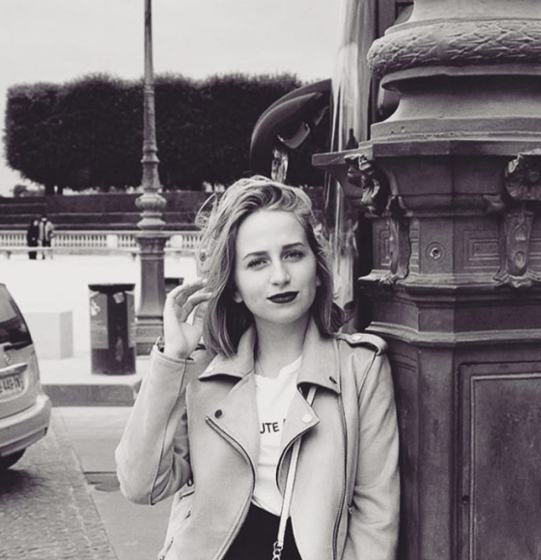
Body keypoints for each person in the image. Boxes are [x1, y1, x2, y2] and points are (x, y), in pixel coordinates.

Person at [115, 176, 400, 560]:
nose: (280, 276)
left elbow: (375, 518)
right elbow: (140, 484)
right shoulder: (202, 371)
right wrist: (171, 359)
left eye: (293, 255)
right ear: (234, 285)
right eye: (257, 262)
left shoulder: (360, 369)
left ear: (317, 269)